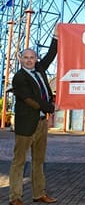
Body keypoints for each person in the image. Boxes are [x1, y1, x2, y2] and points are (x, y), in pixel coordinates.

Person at [9, 28, 58, 205]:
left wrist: (56, 36)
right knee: (19, 161)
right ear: (21, 60)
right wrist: (52, 107)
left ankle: (39, 194)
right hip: (26, 124)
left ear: (35, 59)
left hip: (41, 123)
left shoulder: (39, 69)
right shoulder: (19, 78)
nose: (29, 60)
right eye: (26, 58)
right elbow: (32, 100)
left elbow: (52, 55)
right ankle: (15, 197)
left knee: (39, 161)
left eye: (32, 57)